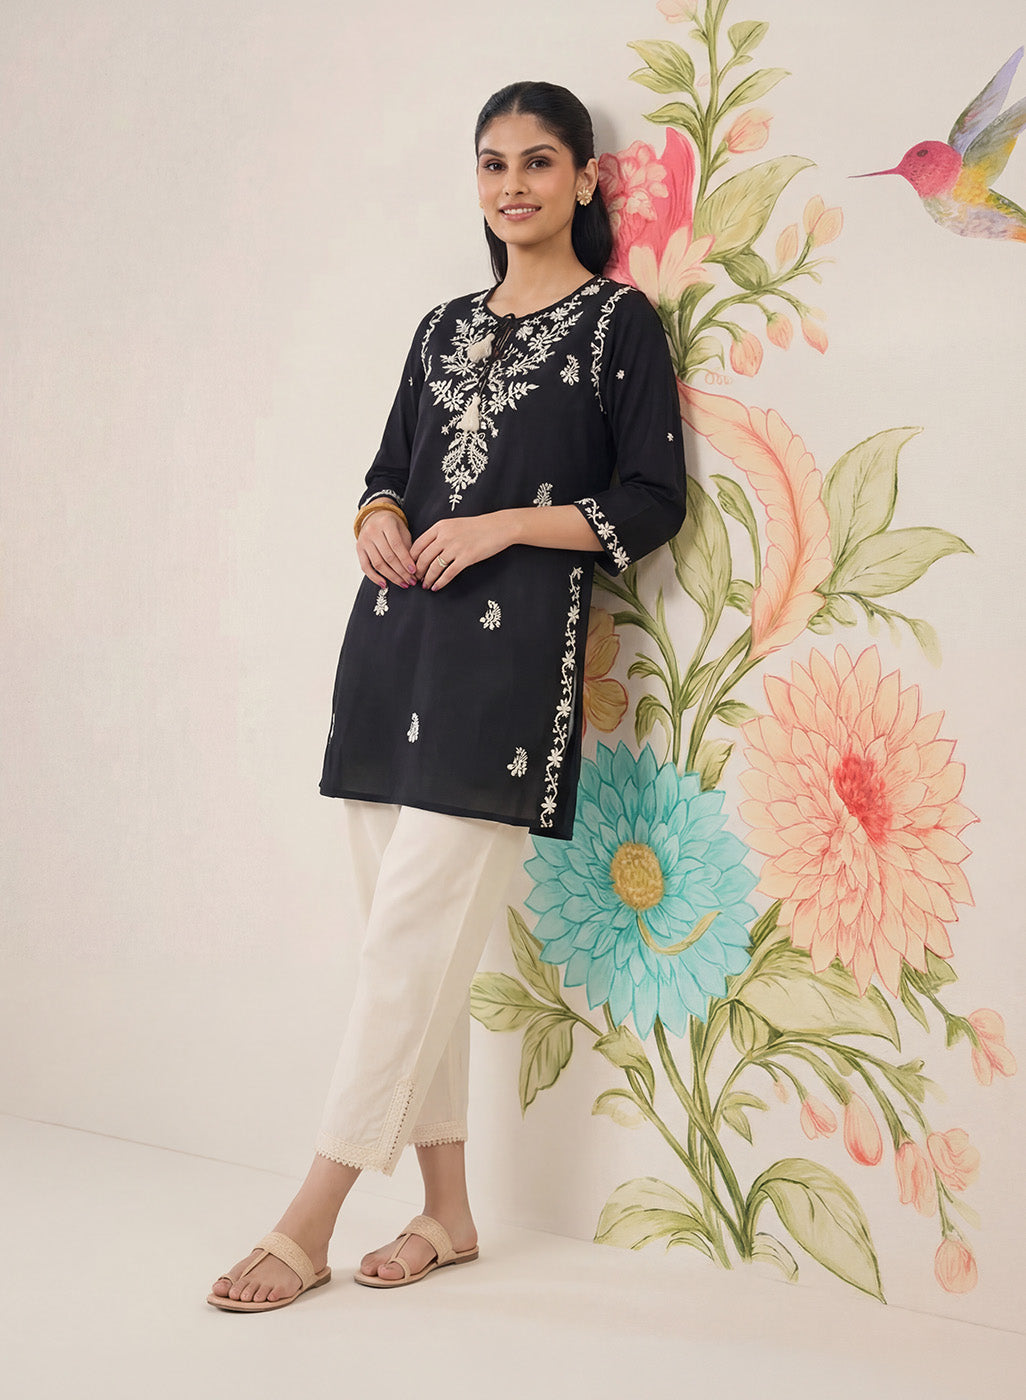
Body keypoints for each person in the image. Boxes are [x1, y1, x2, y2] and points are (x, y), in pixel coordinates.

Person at [207, 79, 687, 1311]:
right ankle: (450, 1211)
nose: (512, 185)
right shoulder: (441, 328)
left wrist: (504, 525)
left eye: (538, 161)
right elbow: (388, 469)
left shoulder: (617, 324)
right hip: (391, 651)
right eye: (492, 163)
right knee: (402, 950)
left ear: (585, 179)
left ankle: (309, 1215)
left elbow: (651, 499)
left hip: (508, 670)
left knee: (405, 948)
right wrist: (375, 515)